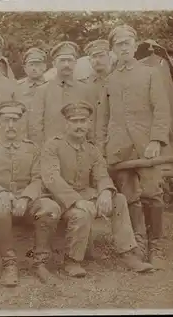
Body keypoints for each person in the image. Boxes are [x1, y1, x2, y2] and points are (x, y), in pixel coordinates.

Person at [41, 101, 154, 277]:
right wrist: (77, 201)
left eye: (83, 121)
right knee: (82, 213)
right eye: (74, 121)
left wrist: (106, 192)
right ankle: (72, 261)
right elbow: (51, 178)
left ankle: (128, 254)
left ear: (88, 124)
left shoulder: (92, 150)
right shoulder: (53, 146)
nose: (79, 126)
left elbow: (101, 174)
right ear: (66, 124)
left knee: (119, 200)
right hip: (59, 200)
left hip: (85, 196)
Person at [103, 25, 171, 268]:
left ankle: (158, 246)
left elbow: (163, 109)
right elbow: (104, 117)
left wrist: (156, 140)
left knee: (153, 194)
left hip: (146, 147)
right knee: (130, 196)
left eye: (127, 43)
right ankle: (138, 244)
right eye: (118, 44)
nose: (123, 47)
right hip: (119, 149)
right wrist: (104, 148)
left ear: (134, 45)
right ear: (113, 49)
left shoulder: (150, 73)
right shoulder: (109, 80)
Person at [0, 100, 62, 286]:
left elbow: (38, 179)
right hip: (0, 202)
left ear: (21, 123)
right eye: (6, 120)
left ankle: (40, 263)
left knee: (51, 208)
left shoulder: (32, 149)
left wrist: (25, 197)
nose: (11, 125)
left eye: (15, 120)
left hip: (27, 202)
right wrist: (2, 194)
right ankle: (9, 264)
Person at [28, 41, 94, 146]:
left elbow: (92, 122)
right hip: (51, 150)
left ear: (75, 63)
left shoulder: (85, 89)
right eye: (62, 61)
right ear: (54, 63)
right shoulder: (43, 90)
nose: (66, 64)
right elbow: (35, 126)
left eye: (70, 60)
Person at [82, 39, 116, 155]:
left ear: (109, 57)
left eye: (101, 56)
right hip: (92, 143)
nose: (97, 60)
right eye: (94, 57)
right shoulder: (85, 86)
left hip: (117, 143)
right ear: (89, 60)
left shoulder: (118, 80)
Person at [16, 47, 49, 138]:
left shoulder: (52, 87)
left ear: (44, 67)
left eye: (38, 65)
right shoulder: (16, 87)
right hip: (22, 138)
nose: (34, 68)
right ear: (25, 68)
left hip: (45, 139)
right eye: (31, 65)